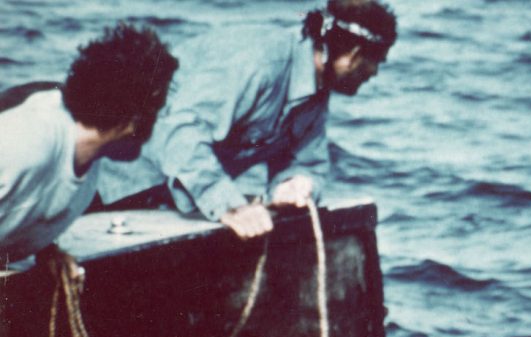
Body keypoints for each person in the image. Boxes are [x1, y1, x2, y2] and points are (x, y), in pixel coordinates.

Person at [94, 0, 398, 240]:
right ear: (356, 54)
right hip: (106, 185)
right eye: (377, 63)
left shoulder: (316, 92)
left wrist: (294, 184)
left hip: (168, 205)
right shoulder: (259, 61)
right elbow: (181, 131)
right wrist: (231, 206)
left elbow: (308, 162)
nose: (375, 74)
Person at [0, 23, 178, 268]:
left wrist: (47, 250)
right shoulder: (31, 140)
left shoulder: (87, 165)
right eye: (158, 108)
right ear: (134, 117)